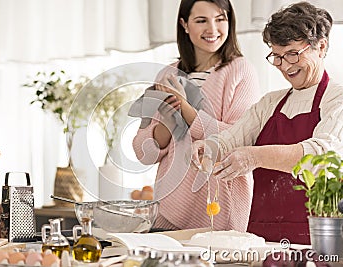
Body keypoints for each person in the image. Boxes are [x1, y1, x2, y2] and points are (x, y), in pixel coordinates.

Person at [192, 1, 343, 244]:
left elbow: (320, 157)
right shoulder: (270, 103)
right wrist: (210, 147)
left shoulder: (338, 99)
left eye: (293, 53)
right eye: (278, 57)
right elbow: (231, 140)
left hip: (318, 240)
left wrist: (255, 157)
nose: (285, 66)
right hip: (262, 241)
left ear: (321, 46)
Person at [132, 0, 260, 231]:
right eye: (201, 21)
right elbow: (144, 152)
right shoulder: (168, 73)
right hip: (168, 207)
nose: (212, 29)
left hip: (219, 207)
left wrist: (186, 109)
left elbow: (239, 137)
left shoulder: (241, 70)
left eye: (220, 19)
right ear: (184, 24)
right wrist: (168, 123)